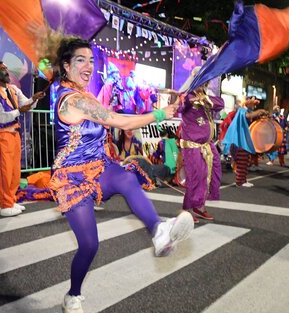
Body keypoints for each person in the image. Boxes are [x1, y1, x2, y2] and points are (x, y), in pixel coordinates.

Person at [45, 37, 193, 313]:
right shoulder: (73, 100)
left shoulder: (86, 96)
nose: (88, 66)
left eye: (91, 60)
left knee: (125, 177)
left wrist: (162, 111)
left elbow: (116, 116)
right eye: (80, 60)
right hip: (72, 180)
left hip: (98, 167)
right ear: (66, 66)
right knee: (89, 246)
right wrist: (159, 114)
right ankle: (73, 295)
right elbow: (120, 121)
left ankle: (159, 230)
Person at [0, 61, 45, 217]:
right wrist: (19, 111)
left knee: (15, 171)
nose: (6, 72)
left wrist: (34, 99)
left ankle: (11, 200)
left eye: (6, 68)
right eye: (2, 69)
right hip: (3, 136)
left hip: (15, 134)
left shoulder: (14, 89)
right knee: (5, 171)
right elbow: (0, 116)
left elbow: (27, 105)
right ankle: (5, 204)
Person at [177, 71, 224, 223]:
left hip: (207, 145)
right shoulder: (188, 96)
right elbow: (180, 106)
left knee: (211, 174)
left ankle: (200, 207)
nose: (205, 82)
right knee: (195, 177)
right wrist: (186, 99)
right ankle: (186, 209)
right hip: (192, 145)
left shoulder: (205, 95)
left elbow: (220, 104)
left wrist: (204, 99)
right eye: (202, 79)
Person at [222, 97, 267, 187]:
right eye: (253, 104)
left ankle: (243, 180)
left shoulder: (247, 111)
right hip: (239, 140)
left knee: (246, 160)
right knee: (242, 161)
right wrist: (259, 111)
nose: (254, 106)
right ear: (248, 103)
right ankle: (239, 181)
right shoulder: (242, 110)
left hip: (244, 140)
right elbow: (248, 116)